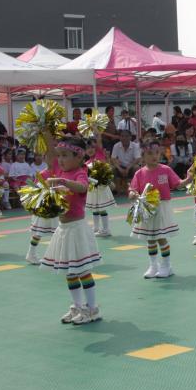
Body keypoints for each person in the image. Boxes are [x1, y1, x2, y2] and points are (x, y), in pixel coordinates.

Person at [38, 135, 103, 325]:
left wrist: (64, 182)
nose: (60, 159)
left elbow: (82, 187)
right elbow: (49, 152)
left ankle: (92, 308)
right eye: (59, 155)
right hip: (63, 229)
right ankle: (77, 306)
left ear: (79, 156)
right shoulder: (60, 171)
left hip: (77, 229)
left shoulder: (80, 173)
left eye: (65, 155)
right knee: (70, 272)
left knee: (83, 271)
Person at [130, 142, 184, 278]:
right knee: (150, 239)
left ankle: (166, 265)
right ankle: (153, 266)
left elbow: (178, 184)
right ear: (143, 156)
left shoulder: (166, 169)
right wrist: (132, 194)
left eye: (157, 153)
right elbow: (133, 190)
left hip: (162, 208)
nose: (154, 156)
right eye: (150, 153)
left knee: (161, 238)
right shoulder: (139, 173)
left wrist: (189, 179)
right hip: (147, 208)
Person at [26, 150, 62, 264]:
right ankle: (31, 254)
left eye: (54, 156)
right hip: (45, 207)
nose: (52, 159)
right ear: (44, 158)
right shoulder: (42, 174)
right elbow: (36, 190)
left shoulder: (61, 171)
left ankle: (56, 256)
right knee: (38, 232)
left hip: (57, 205)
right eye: (48, 156)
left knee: (58, 232)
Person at [84, 136, 115, 238]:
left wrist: (94, 128)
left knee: (102, 209)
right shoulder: (86, 164)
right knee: (95, 209)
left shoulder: (99, 156)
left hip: (101, 188)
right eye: (87, 148)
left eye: (92, 147)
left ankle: (106, 229)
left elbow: (98, 139)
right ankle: (96, 228)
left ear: (96, 148)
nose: (90, 150)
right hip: (92, 189)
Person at [110, 130, 142, 195]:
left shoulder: (135, 145)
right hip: (120, 167)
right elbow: (113, 159)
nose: (124, 138)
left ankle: (135, 189)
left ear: (130, 137)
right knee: (111, 169)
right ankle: (116, 190)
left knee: (137, 168)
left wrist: (128, 168)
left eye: (126, 136)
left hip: (131, 166)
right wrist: (120, 169)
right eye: (122, 136)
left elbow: (137, 159)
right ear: (120, 137)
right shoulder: (116, 145)